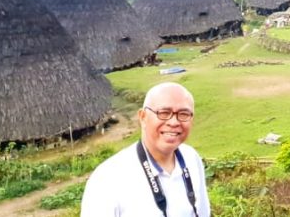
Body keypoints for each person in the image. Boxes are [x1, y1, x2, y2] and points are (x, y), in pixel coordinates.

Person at [81, 82, 210, 216]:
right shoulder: (107, 178)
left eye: (184, 114)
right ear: (143, 117)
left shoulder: (191, 158)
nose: (174, 122)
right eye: (164, 113)